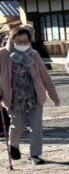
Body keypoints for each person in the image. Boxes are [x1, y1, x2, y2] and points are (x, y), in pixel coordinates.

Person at [0, 26, 60, 164]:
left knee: (37, 126)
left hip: (34, 96)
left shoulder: (34, 54)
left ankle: (35, 155)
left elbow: (45, 77)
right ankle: (13, 145)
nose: (22, 44)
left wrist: (54, 95)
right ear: (12, 39)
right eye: (19, 41)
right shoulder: (3, 54)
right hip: (14, 98)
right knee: (17, 125)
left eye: (25, 41)